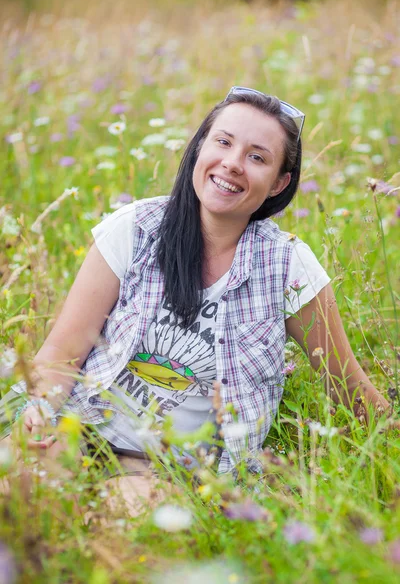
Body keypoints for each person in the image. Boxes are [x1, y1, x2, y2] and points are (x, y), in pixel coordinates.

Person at [0, 87, 393, 506]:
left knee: (122, 512)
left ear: (280, 183)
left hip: (169, 471)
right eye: (223, 142)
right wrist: (38, 412)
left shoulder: (288, 267)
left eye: (256, 157)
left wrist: (387, 465)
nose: (232, 164)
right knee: (14, 485)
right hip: (78, 432)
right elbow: (63, 351)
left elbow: (348, 387)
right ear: (200, 146)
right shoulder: (135, 228)